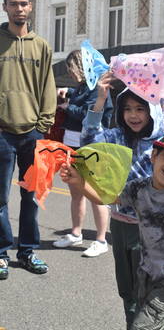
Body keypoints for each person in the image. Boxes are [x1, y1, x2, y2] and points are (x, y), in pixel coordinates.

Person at [59, 132, 164, 330]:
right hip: (147, 274)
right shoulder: (139, 188)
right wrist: (79, 181)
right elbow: (107, 198)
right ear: (154, 156)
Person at [78, 73, 164, 330]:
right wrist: (100, 100)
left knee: (147, 290)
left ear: (152, 111)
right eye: (127, 109)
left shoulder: (163, 145)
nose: (133, 115)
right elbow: (88, 143)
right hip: (120, 223)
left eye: (140, 109)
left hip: (150, 229)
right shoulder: (115, 137)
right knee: (126, 288)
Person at [0, 0, 57, 279]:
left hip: (32, 133)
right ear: (5, 7)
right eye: (13, 4)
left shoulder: (42, 46)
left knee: (31, 196)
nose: (19, 9)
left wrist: (43, 124)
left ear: (31, 7)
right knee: (0, 198)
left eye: (23, 4)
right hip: (1, 133)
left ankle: (27, 251)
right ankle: (0, 253)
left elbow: (48, 87)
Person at [52, 50, 113, 257]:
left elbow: (89, 116)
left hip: (92, 146)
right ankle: (76, 233)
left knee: (96, 194)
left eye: (71, 67)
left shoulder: (98, 87)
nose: (69, 72)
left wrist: (67, 106)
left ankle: (101, 239)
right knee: (76, 192)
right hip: (72, 145)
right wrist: (67, 94)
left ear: (82, 66)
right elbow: (77, 97)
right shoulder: (81, 87)